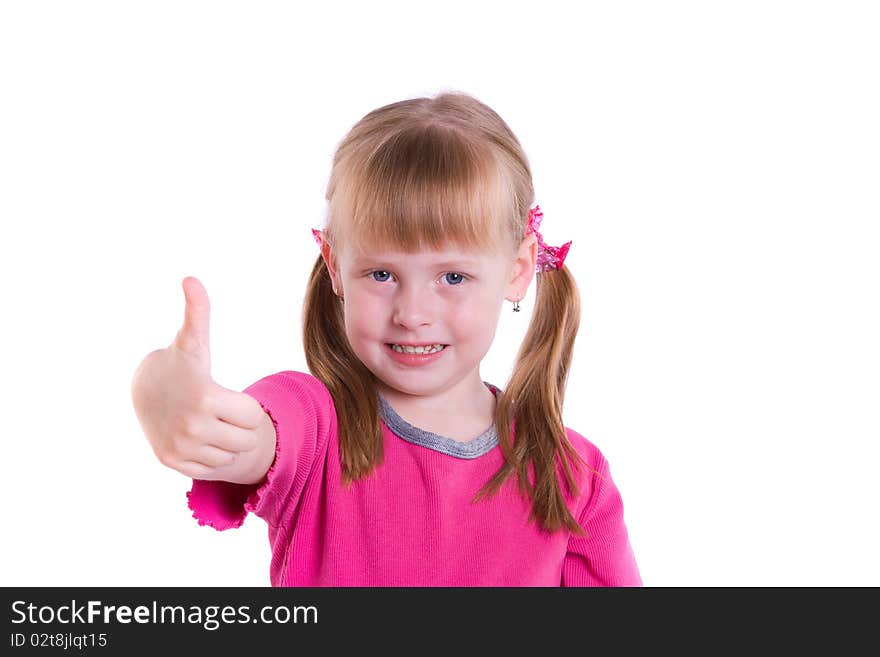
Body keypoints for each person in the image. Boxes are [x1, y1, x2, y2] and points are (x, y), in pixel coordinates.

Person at [131, 91, 642, 586]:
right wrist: (163, 393)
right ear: (335, 267)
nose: (413, 314)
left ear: (518, 270)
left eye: (453, 277)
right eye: (381, 275)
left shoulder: (574, 477)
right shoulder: (315, 426)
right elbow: (256, 436)